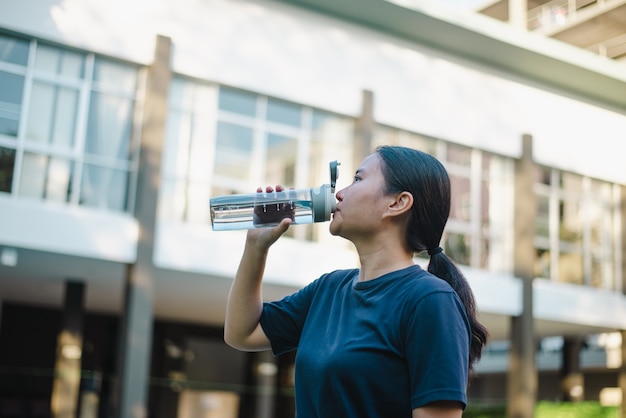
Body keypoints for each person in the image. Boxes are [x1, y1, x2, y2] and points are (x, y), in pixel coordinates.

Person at [224, 145, 489, 418]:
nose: (338, 193)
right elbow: (242, 332)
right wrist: (256, 248)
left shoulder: (430, 300)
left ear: (397, 203)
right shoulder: (329, 289)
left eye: (358, 179)